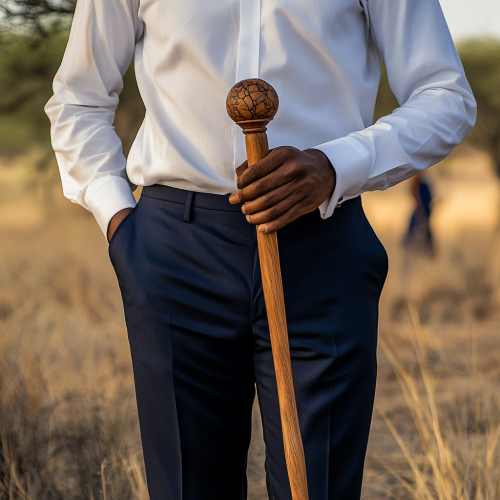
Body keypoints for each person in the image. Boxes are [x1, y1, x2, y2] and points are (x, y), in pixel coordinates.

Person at [45, 0, 476, 498]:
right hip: (175, 253)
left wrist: (335, 165)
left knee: (319, 488)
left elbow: (445, 95)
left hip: (322, 245)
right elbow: (78, 98)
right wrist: (121, 225)